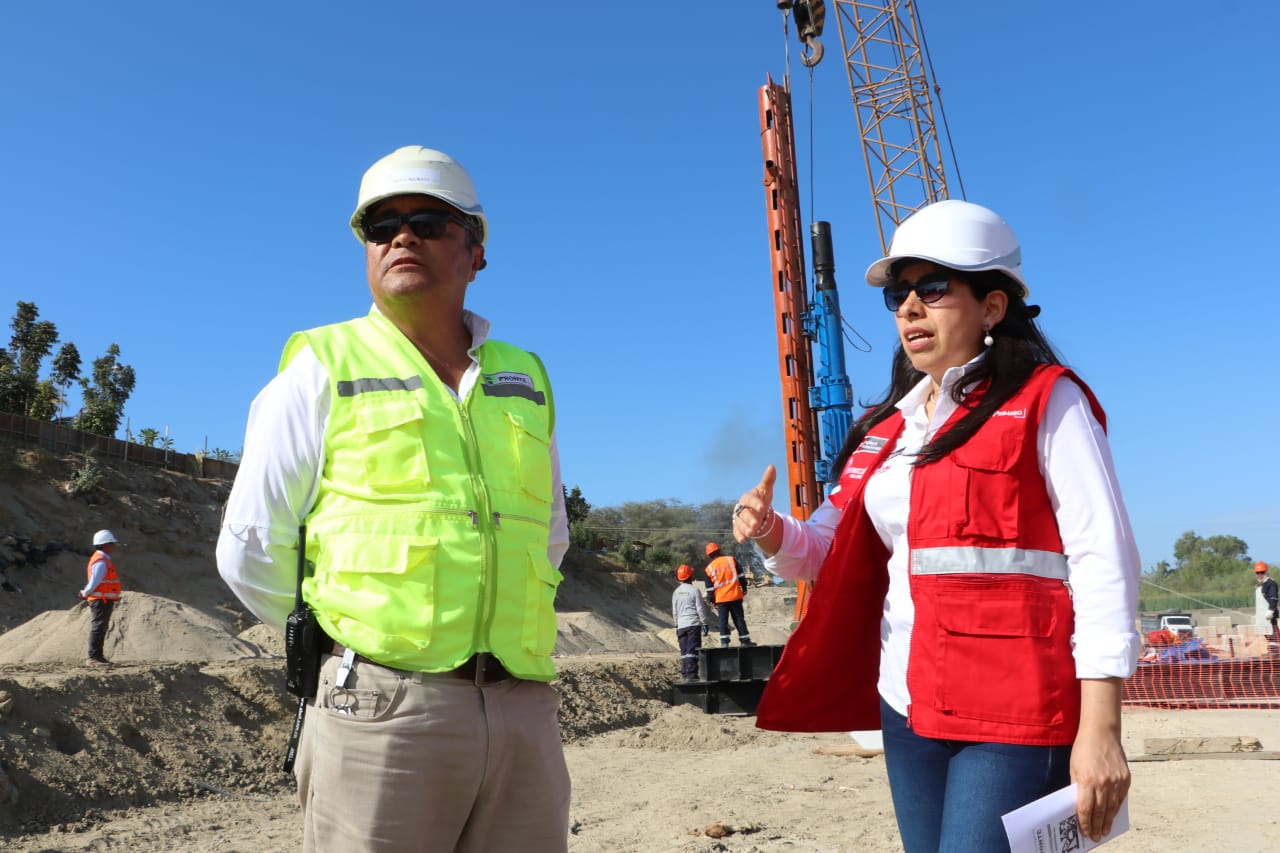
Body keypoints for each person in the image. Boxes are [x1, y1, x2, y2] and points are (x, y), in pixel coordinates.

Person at [731, 199, 1141, 852]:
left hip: (1017, 713)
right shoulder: (888, 430)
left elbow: (1104, 560)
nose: (908, 308)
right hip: (910, 707)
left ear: (994, 306)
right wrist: (772, 530)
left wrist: (1101, 727)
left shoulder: (1049, 401)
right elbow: (829, 551)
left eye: (932, 287)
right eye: (899, 292)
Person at [216, 145, 571, 853]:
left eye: (428, 221)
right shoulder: (323, 366)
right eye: (381, 227)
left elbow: (549, 534)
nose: (401, 236)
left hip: (523, 707)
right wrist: (346, 644)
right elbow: (252, 548)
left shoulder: (523, 378)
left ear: (475, 252)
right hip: (380, 708)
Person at [79, 529, 122, 666]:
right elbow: (95, 581)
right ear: (104, 545)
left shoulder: (103, 559)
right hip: (100, 599)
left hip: (104, 599)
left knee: (101, 627)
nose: (114, 546)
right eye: (112, 543)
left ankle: (98, 656)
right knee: (98, 627)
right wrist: (85, 592)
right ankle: (93, 657)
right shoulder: (101, 561)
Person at [703, 542, 754, 647]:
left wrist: (713, 601)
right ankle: (745, 641)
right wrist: (744, 588)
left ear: (709, 555)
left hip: (721, 599)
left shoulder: (708, 569)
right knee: (739, 618)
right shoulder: (731, 560)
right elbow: (741, 576)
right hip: (735, 595)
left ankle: (724, 642)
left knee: (723, 621)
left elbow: (710, 589)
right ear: (719, 550)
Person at [672, 564, 710, 682]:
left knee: (684, 652)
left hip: (681, 626)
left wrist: (677, 624)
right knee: (692, 651)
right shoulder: (694, 590)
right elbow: (700, 608)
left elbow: (674, 610)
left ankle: (685, 676)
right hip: (693, 624)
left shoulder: (676, 592)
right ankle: (692, 676)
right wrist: (704, 623)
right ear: (690, 576)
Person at [1256, 561, 1278, 637]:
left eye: (1261, 572)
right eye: (1257, 573)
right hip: (1263, 615)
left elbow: (1273, 598)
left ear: (1266, 572)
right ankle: (1273, 648)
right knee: (1268, 636)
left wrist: (1271, 611)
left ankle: (1276, 648)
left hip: (1269, 614)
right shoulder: (1263, 584)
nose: (1259, 574)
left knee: (1274, 635)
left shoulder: (1270, 583)